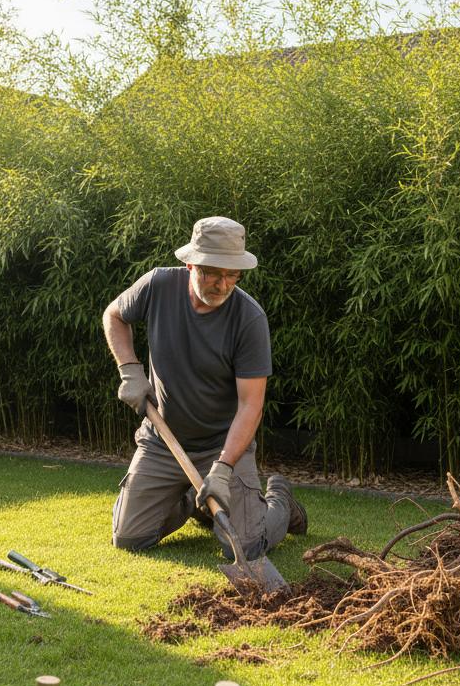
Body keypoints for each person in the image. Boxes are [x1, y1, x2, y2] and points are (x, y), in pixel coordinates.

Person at [102, 215, 307, 559]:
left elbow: (250, 406)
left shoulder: (249, 320)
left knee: (245, 546)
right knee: (129, 538)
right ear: (190, 264)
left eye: (232, 275)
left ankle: (280, 501)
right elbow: (114, 315)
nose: (223, 285)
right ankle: (199, 501)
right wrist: (130, 370)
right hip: (162, 442)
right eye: (213, 272)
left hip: (221, 447)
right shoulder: (157, 286)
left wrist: (224, 468)